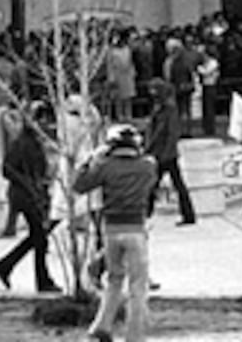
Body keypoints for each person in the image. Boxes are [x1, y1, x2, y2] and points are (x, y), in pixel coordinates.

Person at [75, 123, 158, 342]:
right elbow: (150, 188)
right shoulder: (148, 166)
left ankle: (101, 326)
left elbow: (79, 185)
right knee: (138, 286)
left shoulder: (105, 166)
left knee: (113, 279)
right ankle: (134, 336)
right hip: (136, 229)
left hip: (111, 228)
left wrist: (92, 158)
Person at [0, 102, 59, 293]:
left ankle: (6, 265)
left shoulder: (35, 142)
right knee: (40, 237)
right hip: (24, 195)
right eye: (41, 119)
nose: (45, 123)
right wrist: (28, 184)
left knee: (38, 237)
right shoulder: (22, 142)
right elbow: (7, 168)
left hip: (34, 193)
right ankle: (42, 280)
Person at [143, 79, 195, 226]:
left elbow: (171, 133)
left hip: (166, 153)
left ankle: (187, 214)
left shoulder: (169, 109)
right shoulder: (159, 107)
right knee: (157, 184)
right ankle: (147, 212)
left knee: (164, 184)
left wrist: (165, 152)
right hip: (159, 152)